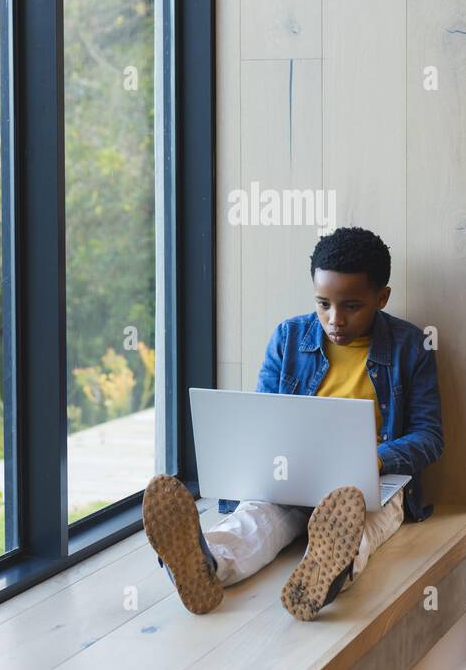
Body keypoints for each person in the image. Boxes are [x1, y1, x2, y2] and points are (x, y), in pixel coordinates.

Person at [143, 226, 444, 621]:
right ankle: (206, 562)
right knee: (255, 520)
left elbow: (430, 437)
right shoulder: (289, 337)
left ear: (381, 297)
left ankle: (325, 572)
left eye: (351, 306)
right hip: (293, 476)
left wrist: (377, 459)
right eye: (323, 304)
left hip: (368, 484)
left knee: (361, 526)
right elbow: (264, 420)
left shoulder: (410, 347)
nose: (334, 319)